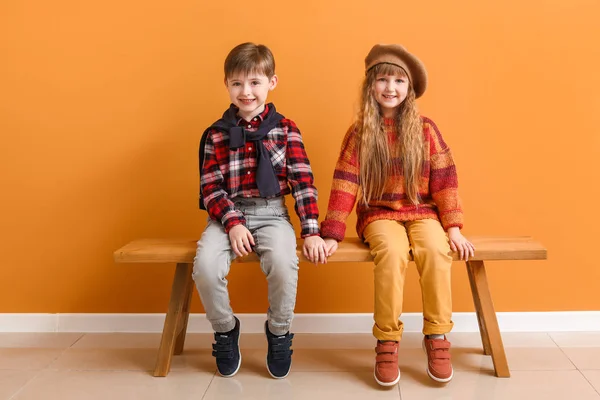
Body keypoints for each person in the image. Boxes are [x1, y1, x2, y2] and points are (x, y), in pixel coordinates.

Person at [321, 44, 475, 386]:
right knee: (391, 254)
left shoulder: (426, 130)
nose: (390, 88)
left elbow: (445, 181)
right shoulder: (360, 133)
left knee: (435, 251)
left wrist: (453, 227)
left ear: (410, 89)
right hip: (379, 215)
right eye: (383, 79)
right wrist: (332, 231)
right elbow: (345, 183)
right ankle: (387, 340)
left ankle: (437, 336)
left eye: (398, 81)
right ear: (370, 86)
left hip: (424, 213)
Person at [194, 42, 328, 379]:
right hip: (226, 216)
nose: (246, 92)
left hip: (272, 213)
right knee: (206, 267)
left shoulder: (286, 130)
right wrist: (233, 222)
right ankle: (225, 330)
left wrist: (311, 230)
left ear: (272, 82)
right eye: (237, 83)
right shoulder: (216, 134)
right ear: (227, 85)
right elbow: (210, 186)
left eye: (255, 82)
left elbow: (302, 182)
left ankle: (279, 332)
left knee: (284, 264)